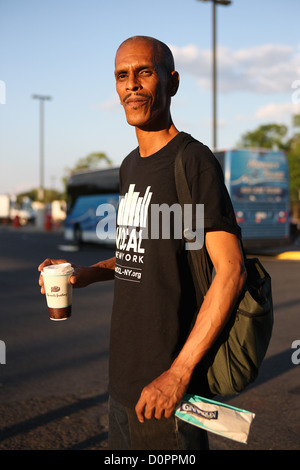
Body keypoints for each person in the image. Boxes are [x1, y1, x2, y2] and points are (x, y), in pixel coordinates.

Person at [38, 36, 246, 450]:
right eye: (122, 75)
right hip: (123, 380)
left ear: (172, 83)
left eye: (144, 72)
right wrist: (85, 274)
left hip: (166, 385)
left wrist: (178, 374)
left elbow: (232, 270)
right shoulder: (129, 166)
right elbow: (140, 252)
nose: (131, 84)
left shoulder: (193, 161)